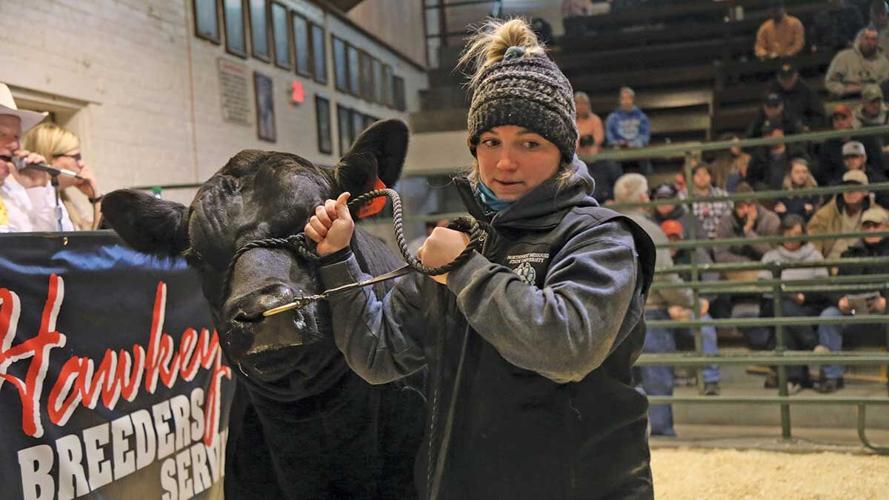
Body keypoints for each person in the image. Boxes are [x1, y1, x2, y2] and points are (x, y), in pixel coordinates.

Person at [305, 18, 657, 498]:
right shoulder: (460, 240)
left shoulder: (601, 240)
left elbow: (567, 347)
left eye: (529, 144)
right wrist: (337, 257)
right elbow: (377, 355)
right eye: (490, 142)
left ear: (563, 152)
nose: (504, 162)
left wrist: (465, 270)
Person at [613, 174, 719, 439]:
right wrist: (692, 301)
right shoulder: (650, 230)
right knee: (657, 377)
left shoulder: (601, 226)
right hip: (648, 313)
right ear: (641, 197)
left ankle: (622, 439)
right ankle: (662, 433)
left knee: (618, 381)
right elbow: (664, 279)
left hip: (611, 316)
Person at [817, 205, 889, 393]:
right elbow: (834, 287)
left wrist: (886, 304)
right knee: (829, 315)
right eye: (867, 226)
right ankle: (833, 376)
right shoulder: (849, 254)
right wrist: (840, 301)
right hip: (854, 312)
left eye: (876, 225)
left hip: (883, 314)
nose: (871, 230)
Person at [758, 215, 831, 392]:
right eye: (788, 232)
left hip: (806, 305)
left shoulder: (814, 255)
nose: (791, 237)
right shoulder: (770, 257)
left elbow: (823, 287)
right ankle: (813, 346)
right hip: (775, 303)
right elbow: (763, 287)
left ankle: (794, 379)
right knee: (783, 306)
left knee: (785, 324)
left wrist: (805, 296)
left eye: (796, 233)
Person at [713, 183, 782, 350]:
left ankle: (766, 339)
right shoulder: (726, 222)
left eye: (750, 206)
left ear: (756, 205)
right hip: (736, 277)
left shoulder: (771, 220)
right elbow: (721, 255)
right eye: (741, 207)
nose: (746, 211)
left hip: (765, 275)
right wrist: (748, 264)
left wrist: (749, 233)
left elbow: (774, 252)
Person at [0, 82, 64, 233]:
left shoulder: (22, 193)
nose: (14, 145)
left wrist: (37, 189)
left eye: (17, 136)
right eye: (1, 134)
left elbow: (63, 244)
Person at [21, 123, 102, 230]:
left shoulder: (67, 201)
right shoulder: (25, 199)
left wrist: (95, 197)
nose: (82, 164)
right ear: (50, 158)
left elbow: (96, 243)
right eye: (76, 157)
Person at [808, 169, 872, 260]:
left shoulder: (876, 215)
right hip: (830, 266)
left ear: (866, 191)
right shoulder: (824, 215)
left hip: (862, 265)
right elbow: (813, 246)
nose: (850, 191)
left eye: (855, 187)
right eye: (846, 187)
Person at [815, 103, 884, 185]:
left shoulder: (867, 139)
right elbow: (825, 174)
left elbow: (877, 167)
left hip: (867, 182)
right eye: (836, 119)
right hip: (840, 185)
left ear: (851, 119)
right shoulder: (827, 145)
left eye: (843, 118)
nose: (840, 122)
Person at [825, 26, 889, 98]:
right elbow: (830, 82)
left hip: (874, 99)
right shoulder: (843, 57)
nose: (869, 42)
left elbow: (885, 84)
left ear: (877, 42)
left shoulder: (883, 61)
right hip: (846, 98)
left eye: (873, 39)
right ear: (860, 40)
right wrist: (844, 90)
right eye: (866, 38)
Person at [606, 86, 652, 175]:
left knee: (646, 158)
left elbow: (645, 137)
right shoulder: (612, 118)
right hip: (619, 150)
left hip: (637, 149)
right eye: (623, 99)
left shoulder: (642, 117)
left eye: (628, 98)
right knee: (611, 162)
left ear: (633, 100)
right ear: (620, 100)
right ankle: (617, 187)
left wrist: (633, 144)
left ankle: (647, 186)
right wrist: (619, 143)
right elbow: (610, 138)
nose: (626, 102)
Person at [768, 63, 826, 131]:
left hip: (802, 131)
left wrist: (808, 126)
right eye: (783, 78)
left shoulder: (806, 91)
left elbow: (819, 115)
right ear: (778, 78)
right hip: (779, 132)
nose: (786, 81)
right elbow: (763, 114)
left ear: (796, 76)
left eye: (789, 78)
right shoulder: (772, 92)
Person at [832, 141, 889, 208]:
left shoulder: (879, 181)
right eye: (846, 157)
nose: (850, 160)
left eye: (854, 156)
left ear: (864, 158)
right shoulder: (839, 182)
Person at [690, 163, 733, 239]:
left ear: (711, 177)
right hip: (697, 240)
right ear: (692, 178)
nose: (702, 178)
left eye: (705, 174)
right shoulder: (685, 197)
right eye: (698, 175)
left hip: (721, 238)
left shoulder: (723, 195)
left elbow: (729, 217)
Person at [575, 91, 605, 157]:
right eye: (578, 104)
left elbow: (599, 137)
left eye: (584, 103)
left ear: (588, 105)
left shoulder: (595, 119)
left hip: (594, 153)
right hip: (577, 153)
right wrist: (579, 148)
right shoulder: (571, 122)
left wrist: (590, 147)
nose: (581, 106)